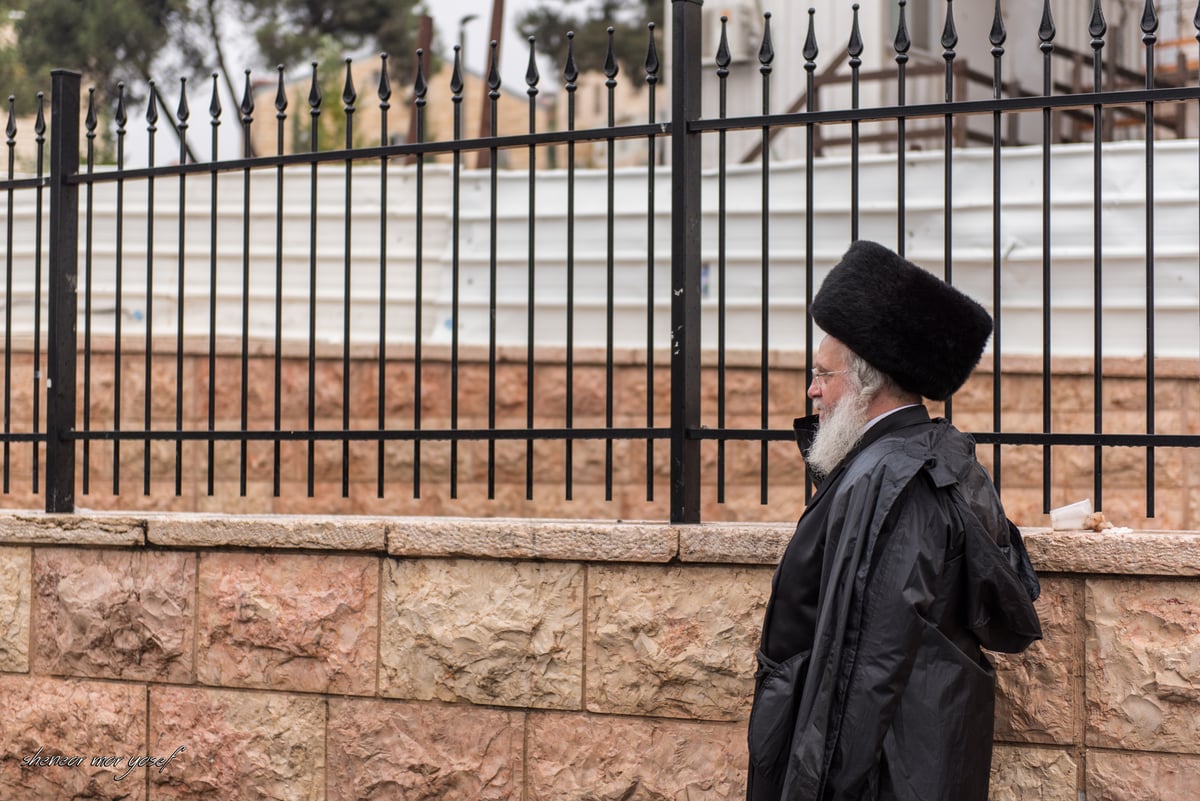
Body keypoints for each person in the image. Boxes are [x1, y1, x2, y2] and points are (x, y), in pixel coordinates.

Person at [746, 240, 1043, 801]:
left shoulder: (891, 482)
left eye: (822, 374)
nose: (812, 389)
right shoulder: (919, 458)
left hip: (881, 777)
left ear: (867, 383)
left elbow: (863, 666)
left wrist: (818, 788)